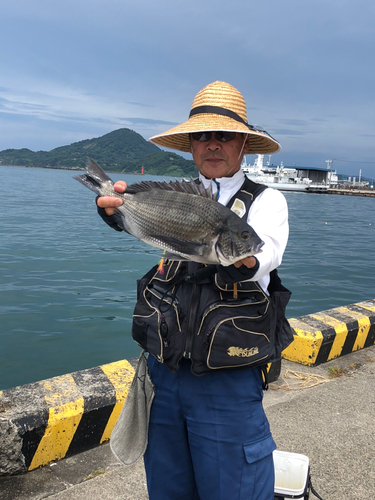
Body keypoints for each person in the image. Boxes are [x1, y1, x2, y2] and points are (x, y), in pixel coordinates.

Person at [97, 81, 289, 500]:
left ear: (243, 145)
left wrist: (247, 257)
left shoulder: (266, 201)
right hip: (164, 375)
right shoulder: (174, 196)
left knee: (234, 489)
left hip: (227, 379)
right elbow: (147, 228)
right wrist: (118, 214)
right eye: (202, 136)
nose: (213, 145)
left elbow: (267, 251)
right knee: (167, 489)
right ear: (191, 146)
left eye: (224, 136)